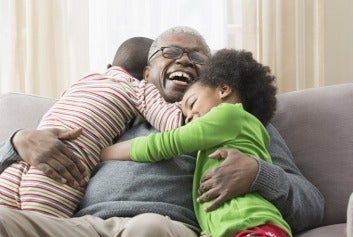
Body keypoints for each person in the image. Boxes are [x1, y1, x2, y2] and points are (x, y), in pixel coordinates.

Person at [0, 26, 324, 236]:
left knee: (147, 228)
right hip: (80, 227)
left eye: (198, 57)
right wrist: (18, 141)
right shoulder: (109, 112)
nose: (184, 60)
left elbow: (313, 204)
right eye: (169, 53)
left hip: (162, 227)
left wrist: (258, 173)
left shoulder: (235, 121)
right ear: (145, 71)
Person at [101, 48, 292, 237]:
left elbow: (165, 144)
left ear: (223, 90)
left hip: (253, 225)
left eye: (192, 104)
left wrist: (103, 153)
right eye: (186, 116)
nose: (190, 118)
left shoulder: (230, 115)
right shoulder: (229, 135)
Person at [0, 36, 182, 218]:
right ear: (147, 74)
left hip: (16, 167)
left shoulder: (86, 79)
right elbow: (174, 124)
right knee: (41, 226)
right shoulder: (139, 88)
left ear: (109, 67)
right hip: (61, 171)